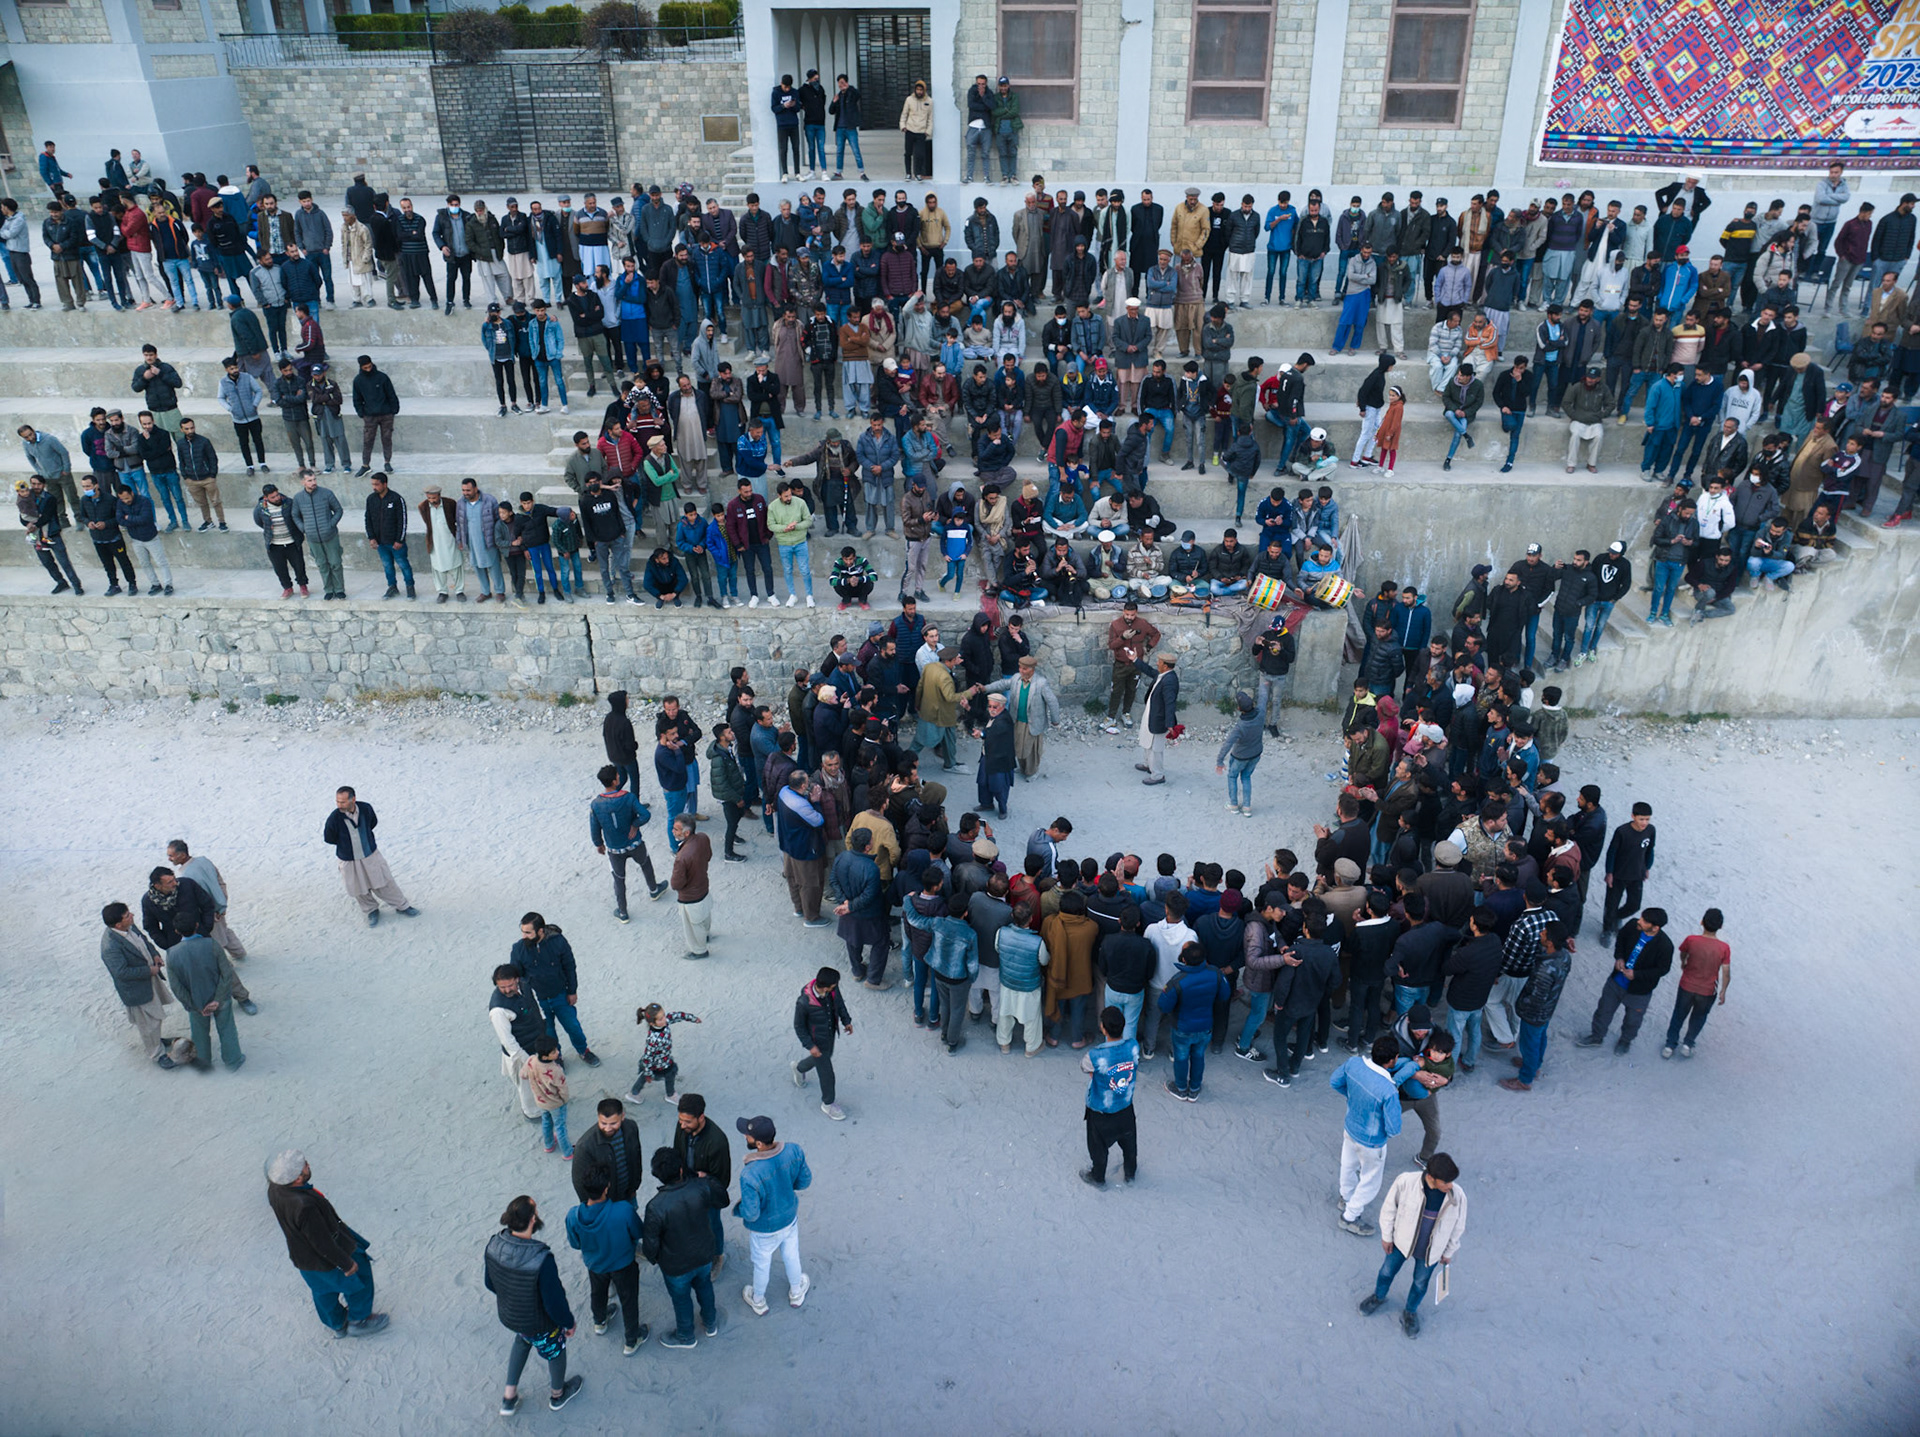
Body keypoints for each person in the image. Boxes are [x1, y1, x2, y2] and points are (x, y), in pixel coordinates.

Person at [266, 1150, 389, 1338]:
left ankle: (337, 1324)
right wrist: (346, 1263)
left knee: (322, 1290)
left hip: (305, 1260)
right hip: (332, 1255)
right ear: (298, 1178)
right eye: (305, 1166)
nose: (308, 1165)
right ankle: (360, 1320)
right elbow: (322, 1242)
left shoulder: (275, 1190)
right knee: (359, 1282)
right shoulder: (305, 1206)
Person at [485, 1196, 584, 1414]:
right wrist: (568, 1323)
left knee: (522, 1340)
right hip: (540, 1322)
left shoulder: (493, 1244)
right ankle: (558, 1395)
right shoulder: (542, 1258)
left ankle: (509, 1396)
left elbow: (489, 1282)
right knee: (555, 1351)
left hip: (513, 1316)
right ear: (532, 1220)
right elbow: (553, 1302)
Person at [1358, 1153, 1466, 1339]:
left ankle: (1410, 1312)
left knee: (1420, 1283)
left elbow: (1458, 1227)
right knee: (1386, 1272)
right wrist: (1387, 1236)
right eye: (1446, 1182)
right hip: (1401, 1243)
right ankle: (1378, 1296)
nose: (1450, 1186)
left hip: (1430, 1252)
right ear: (1431, 1177)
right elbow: (1389, 1209)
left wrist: (1448, 1251)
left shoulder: (1458, 1195)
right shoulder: (1406, 1182)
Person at [640, 1147, 729, 1349]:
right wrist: (708, 1178)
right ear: (681, 1169)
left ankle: (686, 1336)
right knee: (705, 1286)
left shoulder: (656, 1206)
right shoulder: (701, 1187)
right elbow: (723, 1199)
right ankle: (710, 1322)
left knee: (681, 1300)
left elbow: (651, 1243)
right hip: (704, 1254)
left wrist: (654, 1258)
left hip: (676, 1265)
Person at [565, 1170, 649, 1355]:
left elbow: (575, 1243)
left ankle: (600, 1321)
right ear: (606, 1189)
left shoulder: (573, 1215)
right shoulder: (623, 1210)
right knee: (629, 1300)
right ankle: (631, 1340)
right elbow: (638, 1232)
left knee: (598, 1292)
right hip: (623, 1264)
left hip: (595, 1264)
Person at [735, 1115, 812, 1313]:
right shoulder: (794, 1150)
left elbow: (751, 1213)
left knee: (761, 1264)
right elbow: (804, 1181)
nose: (745, 1136)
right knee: (791, 1255)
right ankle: (796, 1292)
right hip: (788, 1217)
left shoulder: (750, 1173)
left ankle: (759, 1300)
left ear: (758, 1143)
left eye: (748, 1136)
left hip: (764, 1228)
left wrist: (739, 1209)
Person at [1331, 1034, 1404, 1235]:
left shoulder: (1353, 1064)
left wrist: (1353, 1099)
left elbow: (1335, 1082)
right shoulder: (1388, 1090)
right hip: (1372, 1142)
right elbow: (1393, 1128)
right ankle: (1350, 1217)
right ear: (1393, 1060)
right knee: (1370, 1181)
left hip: (1350, 1128)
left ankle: (1345, 1198)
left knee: (1348, 1166)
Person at [1577, 907, 1675, 1054]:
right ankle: (1597, 1036)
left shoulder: (1665, 946)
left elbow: (1662, 970)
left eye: (1644, 921)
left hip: (1639, 991)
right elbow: (1621, 941)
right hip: (1616, 981)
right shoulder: (1632, 926)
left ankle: (1625, 1041)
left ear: (1655, 928)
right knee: (1603, 1010)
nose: (1639, 921)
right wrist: (1619, 957)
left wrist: (1637, 975)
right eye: (1641, 918)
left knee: (1633, 1020)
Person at [98, 900, 179, 1069]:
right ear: (119, 924)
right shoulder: (110, 946)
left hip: (149, 980)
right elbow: (121, 973)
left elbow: (144, 941)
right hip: (138, 989)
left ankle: (156, 1041)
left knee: (153, 1019)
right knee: (147, 1023)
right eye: (128, 915)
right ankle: (157, 1054)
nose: (132, 916)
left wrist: (154, 954)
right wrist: (149, 971)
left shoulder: (129, 927)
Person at [322, 786, 418, 927]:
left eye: (342, 802)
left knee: (384, 881)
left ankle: (402, 906)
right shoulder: (334, 818)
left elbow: (372, 822)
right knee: (358, 887)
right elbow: (329, 838)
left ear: (353, 799)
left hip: (370, 854)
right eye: (337, 801)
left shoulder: (366, 809)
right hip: (348, 859)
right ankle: (371, 910)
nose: (339, 805)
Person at [165, 930, 244, 1071]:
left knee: (199, 1032)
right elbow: (226, 973)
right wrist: (218, 999)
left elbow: (176, 987)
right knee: (227, 1029)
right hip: (220, 999)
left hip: (196, 1003)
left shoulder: (172, 953)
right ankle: (233, 1061)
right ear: (196, 926)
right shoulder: (212, 944)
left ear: (177, 931)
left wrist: (193, 1005)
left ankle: (203, 1063)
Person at [1080, 1006, 1140, 1187]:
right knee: (1130, 1144)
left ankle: (1098, 1176)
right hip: (1125, 1106)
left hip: (1101, 1111)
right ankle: (1130, 1173)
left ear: (1103, 1028)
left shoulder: (1095, 1055)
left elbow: (1085, 1068)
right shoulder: (1133, 1046)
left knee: (1098, 1148)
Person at [1664, 907, 1731, 1059]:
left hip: (1687, 985)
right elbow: (1726, 972)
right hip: (1707, 991)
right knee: (1699, 1017)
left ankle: (1670, 1045)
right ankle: (1688, 1044)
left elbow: (1683, 954)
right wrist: (1723, 991)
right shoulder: (1724, 948)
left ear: (1702, 922)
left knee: (1678, 1014)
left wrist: (1683, 963)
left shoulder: (1691, 940)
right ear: (1720, 926)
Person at [792, 966, 853, 1120]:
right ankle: (828, 1104)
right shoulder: (804, 1003)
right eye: (833, 986)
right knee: (827, 1074)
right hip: (816, 1040)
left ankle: (799, 1068)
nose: (836, 988)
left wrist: (846, 1021)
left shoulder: (832, 989)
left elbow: (839, 1003)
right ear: (825, 986)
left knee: (824, 1056)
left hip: (829, 1034)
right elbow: (798, 1026)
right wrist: (810, 1046)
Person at [1601, 800, 1656, 934]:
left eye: (1647, 819)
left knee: (1634, 905)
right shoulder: (1622, 831)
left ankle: (1617, 917)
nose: (1644, 823)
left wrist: (1647, 867)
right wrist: (1609, 873)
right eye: (1641, 819)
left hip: (1637, 874)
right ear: (1633, 816)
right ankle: (1607, 929)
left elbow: (1650, 850)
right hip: (1619, 875)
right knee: (1611, 905)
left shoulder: (1650, 830)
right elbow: (1612, 852)